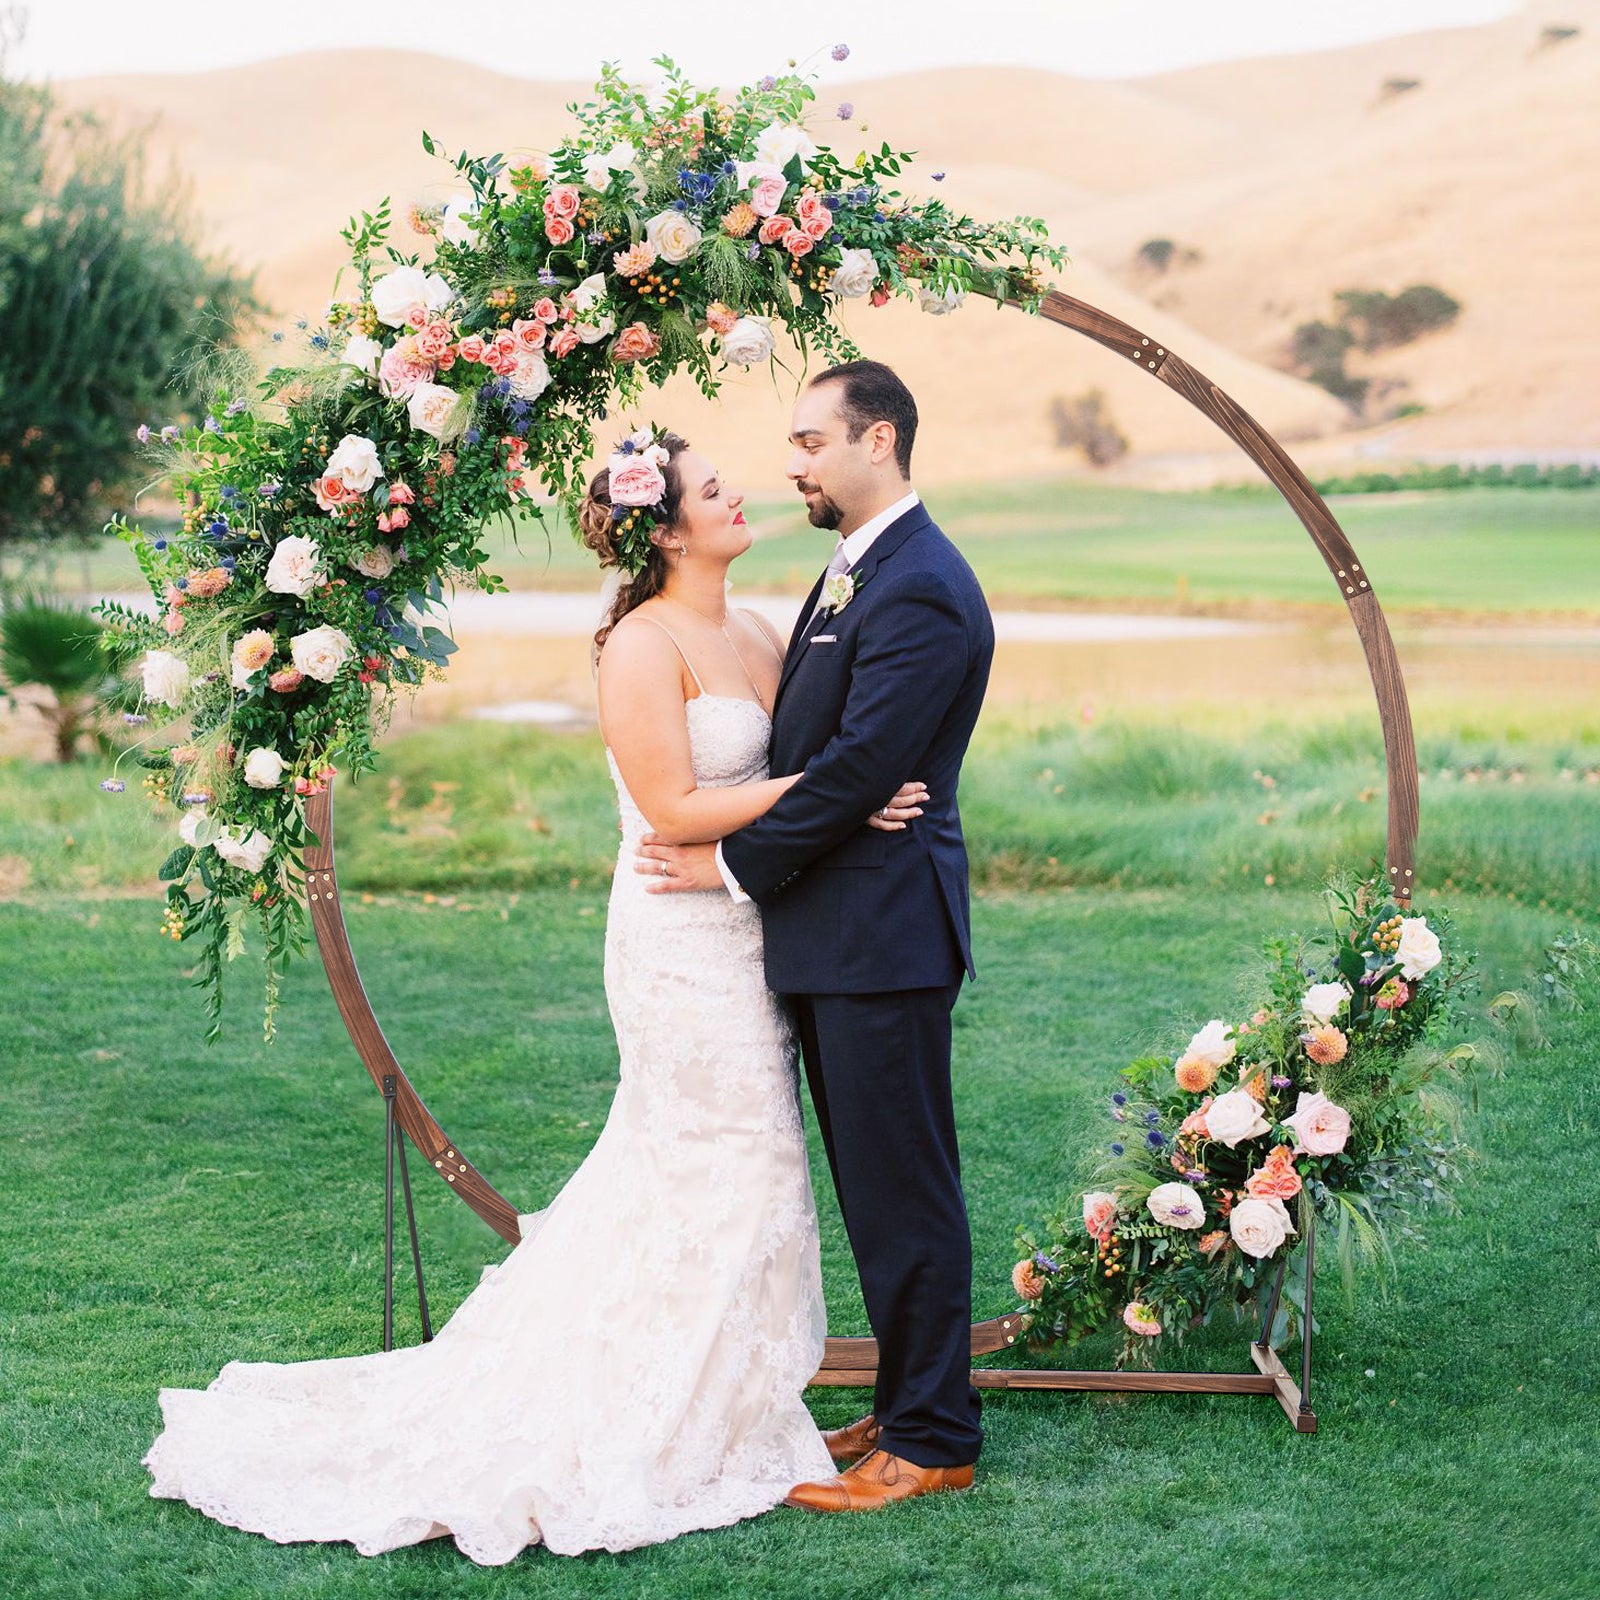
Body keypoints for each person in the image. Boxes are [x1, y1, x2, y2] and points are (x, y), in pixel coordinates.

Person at [139, 425, 928, 1563]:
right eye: (714, 489)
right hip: (678, 938)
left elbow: (792, 773)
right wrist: (844, 794)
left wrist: (839, 798)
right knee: (735, 1159)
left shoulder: (755, 628)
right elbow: (670, 808)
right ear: (663, 528)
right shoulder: (641, 646)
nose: (740, 493)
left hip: (755, 926)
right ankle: (658, 1418)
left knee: (730, 1166)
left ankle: (724, 1398)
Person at [637, 361, 995, 1512]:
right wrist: (841, 783)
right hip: (841, 934)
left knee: (906, 1193)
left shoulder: (922, 584)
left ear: (876, 440)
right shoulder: (860, 571)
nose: (790, 464)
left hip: (882, 938)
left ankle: (934, 1436)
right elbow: (836, 757)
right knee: (875, 1189)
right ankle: (901, 1404)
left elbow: (857, 765)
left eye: (807, 441)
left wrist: (727, 862)